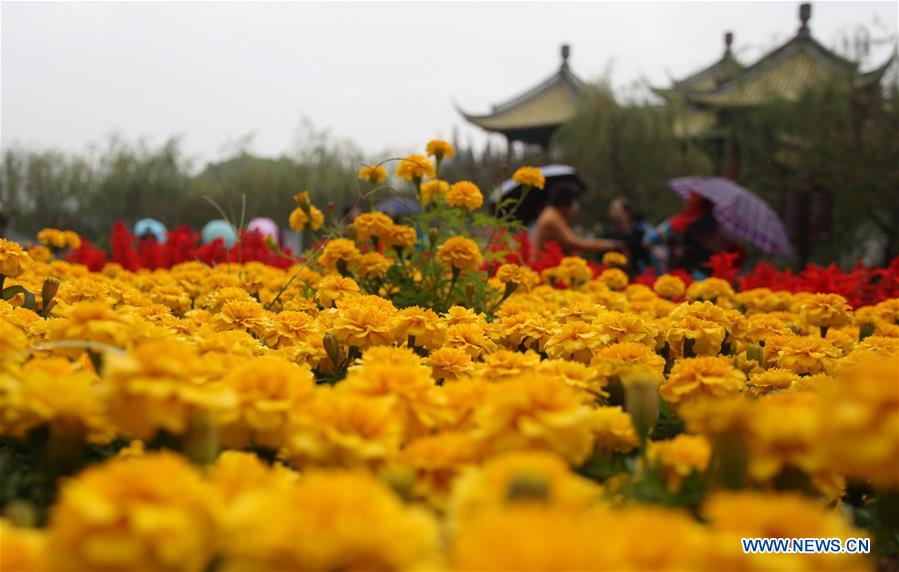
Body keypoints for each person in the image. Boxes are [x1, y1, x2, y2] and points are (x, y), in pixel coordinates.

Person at [531, 182, 622, 265]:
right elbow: (574, 244)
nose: (578, 207)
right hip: (543, 266)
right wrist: (608, 245)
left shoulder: (554, 215)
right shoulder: (552, 219)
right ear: (567, 201)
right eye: (576, 202)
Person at [658, 192, 742, 277]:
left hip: (696, 265)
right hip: (693, 264)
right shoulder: (716, 218)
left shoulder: (687, 218)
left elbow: (653, 237)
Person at [608, 196, 667, 276]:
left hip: (638, 275)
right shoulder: (610, 233)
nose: (611, 212)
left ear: (626, 212)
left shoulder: (640, 233)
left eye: (615, 210)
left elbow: (650, 257)